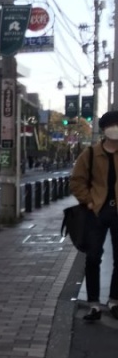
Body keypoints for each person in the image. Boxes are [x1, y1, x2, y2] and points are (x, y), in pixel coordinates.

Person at [70, 110, 118, 322]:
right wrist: (88, 201)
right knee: (92, 258)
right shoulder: (90, 154)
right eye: (111, 125)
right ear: (104, 129)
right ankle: (94, 304)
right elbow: (76, 181)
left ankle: (114, 301)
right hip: (97, 211)